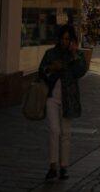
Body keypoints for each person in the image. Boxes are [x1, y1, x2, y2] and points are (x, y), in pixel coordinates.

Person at [37, 24, 88, 181]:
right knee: (54, 130)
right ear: (59, 39)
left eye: (68, 39)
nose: (65, 42)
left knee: (66, 133)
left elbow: (80, 72)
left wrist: (74, 56)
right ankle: (53, 166)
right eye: (63, 39)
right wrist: (51, 68)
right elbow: (41, 72)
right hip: (52, 96)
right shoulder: (50, 53)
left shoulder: (76, 55)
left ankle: (64, 166)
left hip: (69, 98)